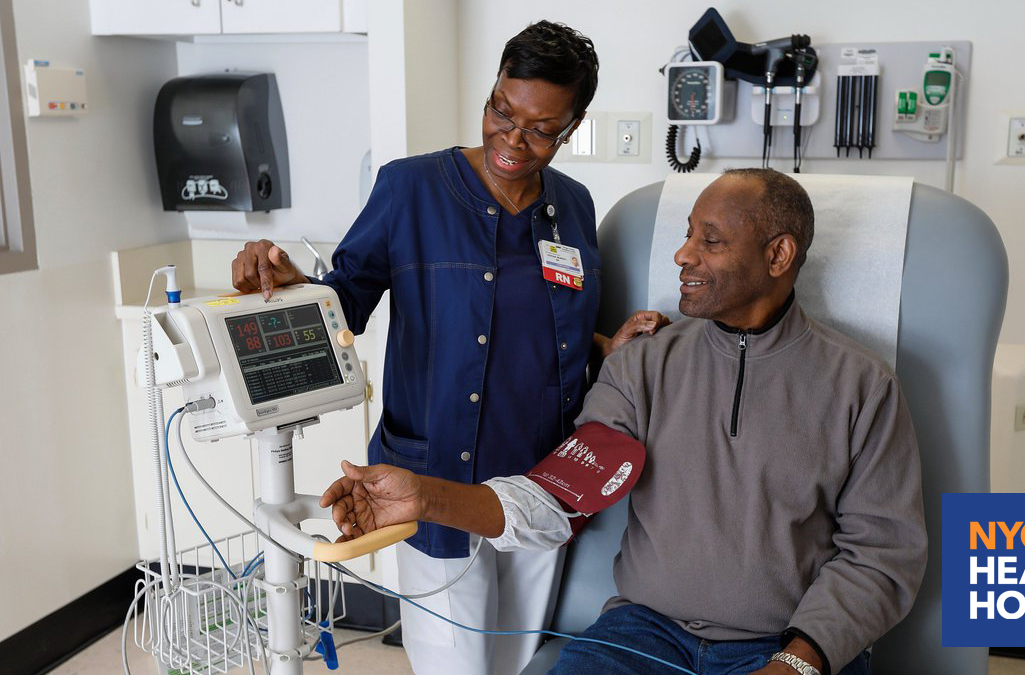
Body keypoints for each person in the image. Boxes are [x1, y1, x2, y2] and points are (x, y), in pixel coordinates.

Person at [320, 168, 928, 675]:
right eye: (688, 233)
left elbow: (881, 554)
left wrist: (799, 662)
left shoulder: (861, 386)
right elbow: (557, 498)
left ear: (779, 254)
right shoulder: (647, 365)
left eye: (710, 241)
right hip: (643, 640)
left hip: (787, 647)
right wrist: (423, 497)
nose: (682, 255)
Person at [230, 21, 668, 675]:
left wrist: (608, 343)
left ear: (572, 128)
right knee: (452, 663)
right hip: (433, 474)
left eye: (541, 128)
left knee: (518, 658)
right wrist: (289, 285)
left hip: (540, 483)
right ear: (492, 93)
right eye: (501, 110)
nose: (512, 140)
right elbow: (340, 304)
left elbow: (555, 329)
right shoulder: (410, 189)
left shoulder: (573, 207)